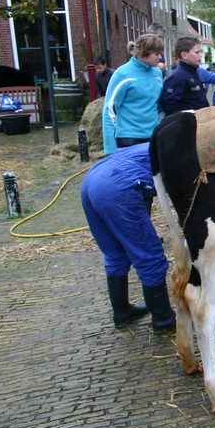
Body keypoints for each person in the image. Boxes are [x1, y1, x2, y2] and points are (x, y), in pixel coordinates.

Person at [80, 142, 177, 333]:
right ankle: (163, 319)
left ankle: (122, 312)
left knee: (115, 252)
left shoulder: (159, 141)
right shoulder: (187, 146)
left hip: (92, 178)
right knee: (148, 254)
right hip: (118, 182)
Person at [102, 34, 164, 155]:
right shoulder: (122, 74)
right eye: (156, 54)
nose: (160, 58)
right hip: (129, 138)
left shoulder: (157, 73)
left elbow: (158, 105)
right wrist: (110, 148)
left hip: (154, 135)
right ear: (144, 53)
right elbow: (109, 110)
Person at [159, 36, 208, 115]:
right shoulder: (178, 76)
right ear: (184, 55)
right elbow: (169, 103)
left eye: (200, 52)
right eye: (197, 52)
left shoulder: (195, 72)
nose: (200, 55)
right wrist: (186, 118)